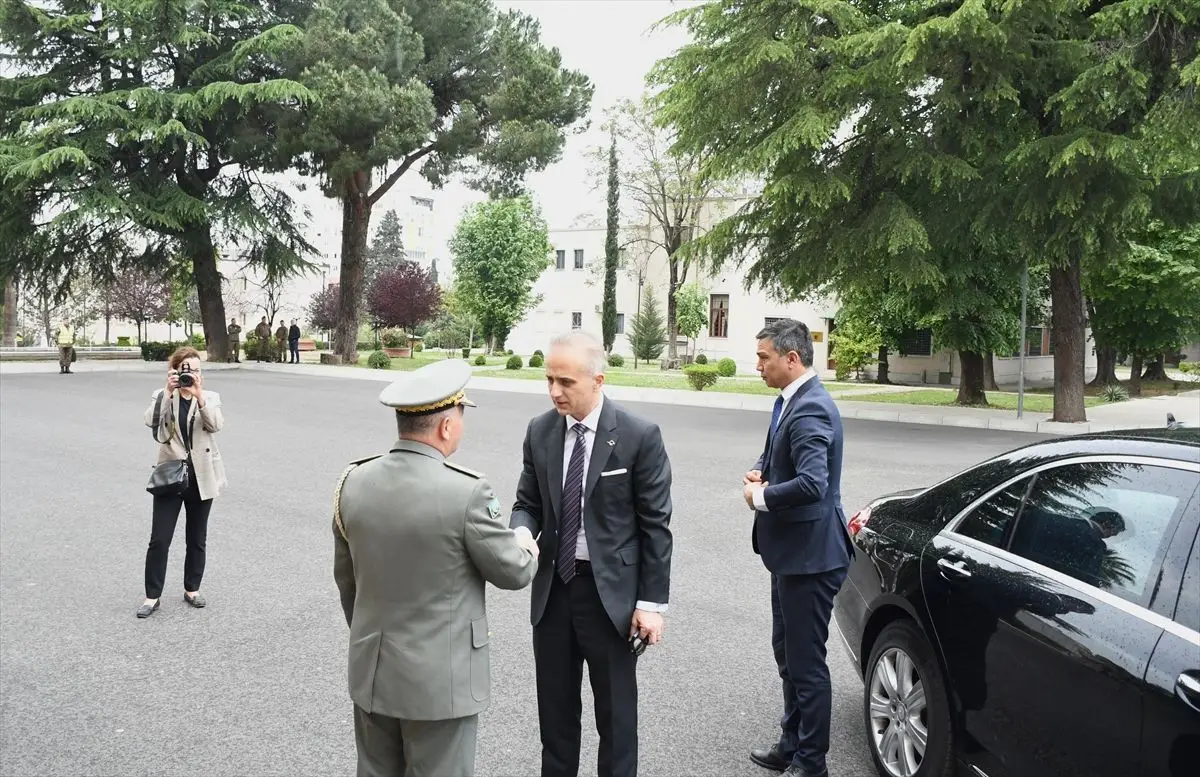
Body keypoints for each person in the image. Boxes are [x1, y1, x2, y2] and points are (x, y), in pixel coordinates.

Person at [333, 359, 540, 777]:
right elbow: (514, 572)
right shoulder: (466, 491)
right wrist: (525, 541)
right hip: (439, 683)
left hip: (373, 670)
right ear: (446, 427)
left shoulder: (352, 480)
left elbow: (348, 582)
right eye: (461, 415)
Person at [509, 330, 673, 777]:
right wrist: (522, 533)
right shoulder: (540, 431)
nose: (554, 391)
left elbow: (655, 526)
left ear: (598, 380)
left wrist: (650, 604)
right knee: (556, 722)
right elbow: (527, 503)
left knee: (617, 723)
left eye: (566, 382)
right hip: (554, 593)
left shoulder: (639, 436)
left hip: (612, 599)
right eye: (549, 380)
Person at [742, 319, 853, 777]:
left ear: (792, 359)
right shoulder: (788, 401)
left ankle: (812, 763)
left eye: (764, 357)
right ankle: (791, 744)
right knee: (787, 655)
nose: (758, 365)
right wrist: (758, 471)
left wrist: (760, 497)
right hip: (791, 555)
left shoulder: (810, 410)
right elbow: (776, 457)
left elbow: (812, 483)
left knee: (806, 665)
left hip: (812, 559)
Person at [138, 346, 226, 618]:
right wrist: (167, 392)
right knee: (159, 539)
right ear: (175, 371)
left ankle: (192, 589)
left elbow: (215, 425)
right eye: (187, 370)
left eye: (197, 370)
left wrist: (199, 397)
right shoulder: (162, 395)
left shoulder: (210, 397)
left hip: (202, 474)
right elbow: (153, 426)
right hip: (171, 474)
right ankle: (152, 596)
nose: (192, 375)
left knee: (197, 537)